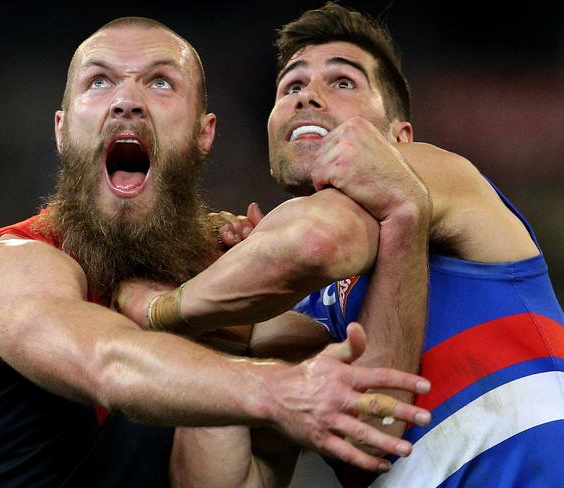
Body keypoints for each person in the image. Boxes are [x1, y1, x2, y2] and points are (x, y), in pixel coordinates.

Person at [0, 16, 435, 487]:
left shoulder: (207, 287)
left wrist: (213, 316)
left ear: (203, 133)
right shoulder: (2, 269)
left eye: (160, 82)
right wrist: (276, 389)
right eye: (99, 82)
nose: (127, 101)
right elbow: (108, 364)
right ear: (61, 129)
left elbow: (374, 428)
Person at [162, 3, 564, 487]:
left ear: (400, 134)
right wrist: (214, 326)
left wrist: (166, 306)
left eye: (343, 82)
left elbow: (317, 239)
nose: (307, 96)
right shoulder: (299, 318)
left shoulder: (439, 173)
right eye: (291, 86)